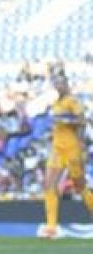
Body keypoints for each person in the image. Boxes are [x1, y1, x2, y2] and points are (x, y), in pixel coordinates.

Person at [42, 74, 93, 238]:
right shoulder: (56, 103)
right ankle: (51, 227)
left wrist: (66, 121)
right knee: (48, 184)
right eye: (56, 83)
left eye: (61, 83)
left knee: (80, 186)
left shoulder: (72, 101)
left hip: (72, 148)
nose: (58, 86)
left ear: (66, 84)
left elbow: (82, 120)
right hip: (57, 148)